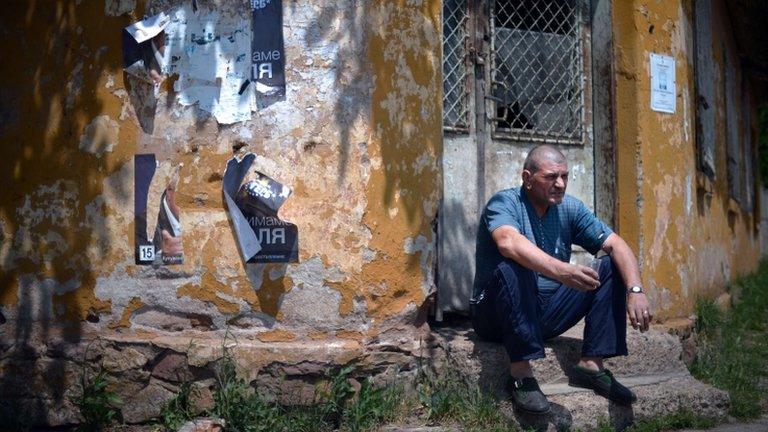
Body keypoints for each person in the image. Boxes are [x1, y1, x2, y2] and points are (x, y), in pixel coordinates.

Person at [470, 144, 652, 414]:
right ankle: (521, 375)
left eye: (564, 176)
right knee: (513, 264)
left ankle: (591, 366)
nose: (560, 183)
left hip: (543, 315)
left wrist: (635, 290)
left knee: (610, 265)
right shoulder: (504, 203)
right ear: (527, 178)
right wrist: (563, 271)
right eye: (550, 177)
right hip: (494, 317)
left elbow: (617, 244)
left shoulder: (569, 209)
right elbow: (508, 242)